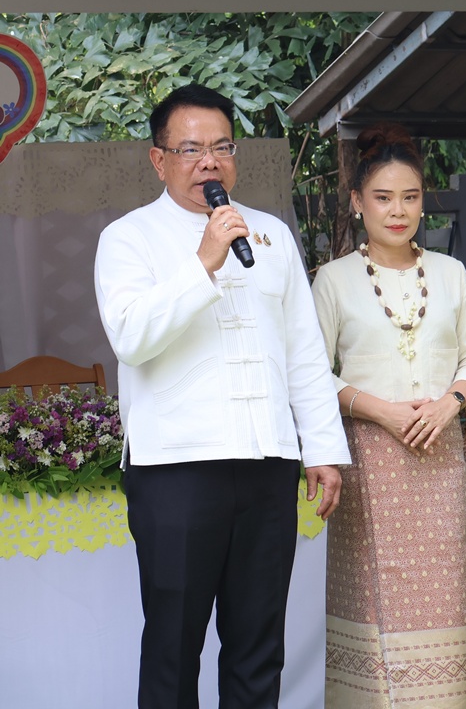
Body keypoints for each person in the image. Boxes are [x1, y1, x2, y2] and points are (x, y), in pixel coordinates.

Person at [94, 83, 351, 709]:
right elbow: (131, 338)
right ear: (159, 160)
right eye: (191, 149)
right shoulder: (128, 238)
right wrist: (203, 262)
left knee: (258, 644)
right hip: (176, 469)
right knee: (174, 645)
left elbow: (304, 352)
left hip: (267, 464)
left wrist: (321, 447)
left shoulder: (269, 234)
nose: (209, 162)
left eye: (222, 147)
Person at [311, 122, 466, 709]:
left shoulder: (450, 273)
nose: (398, 211)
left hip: (438, 460)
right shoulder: (334, 280)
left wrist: (449, 402)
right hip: (369, 463)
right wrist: (381, 412)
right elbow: (311, 373)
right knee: (371, 594)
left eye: (410, 197)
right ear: (357, 201)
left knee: (442, 590)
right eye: (383, 197)